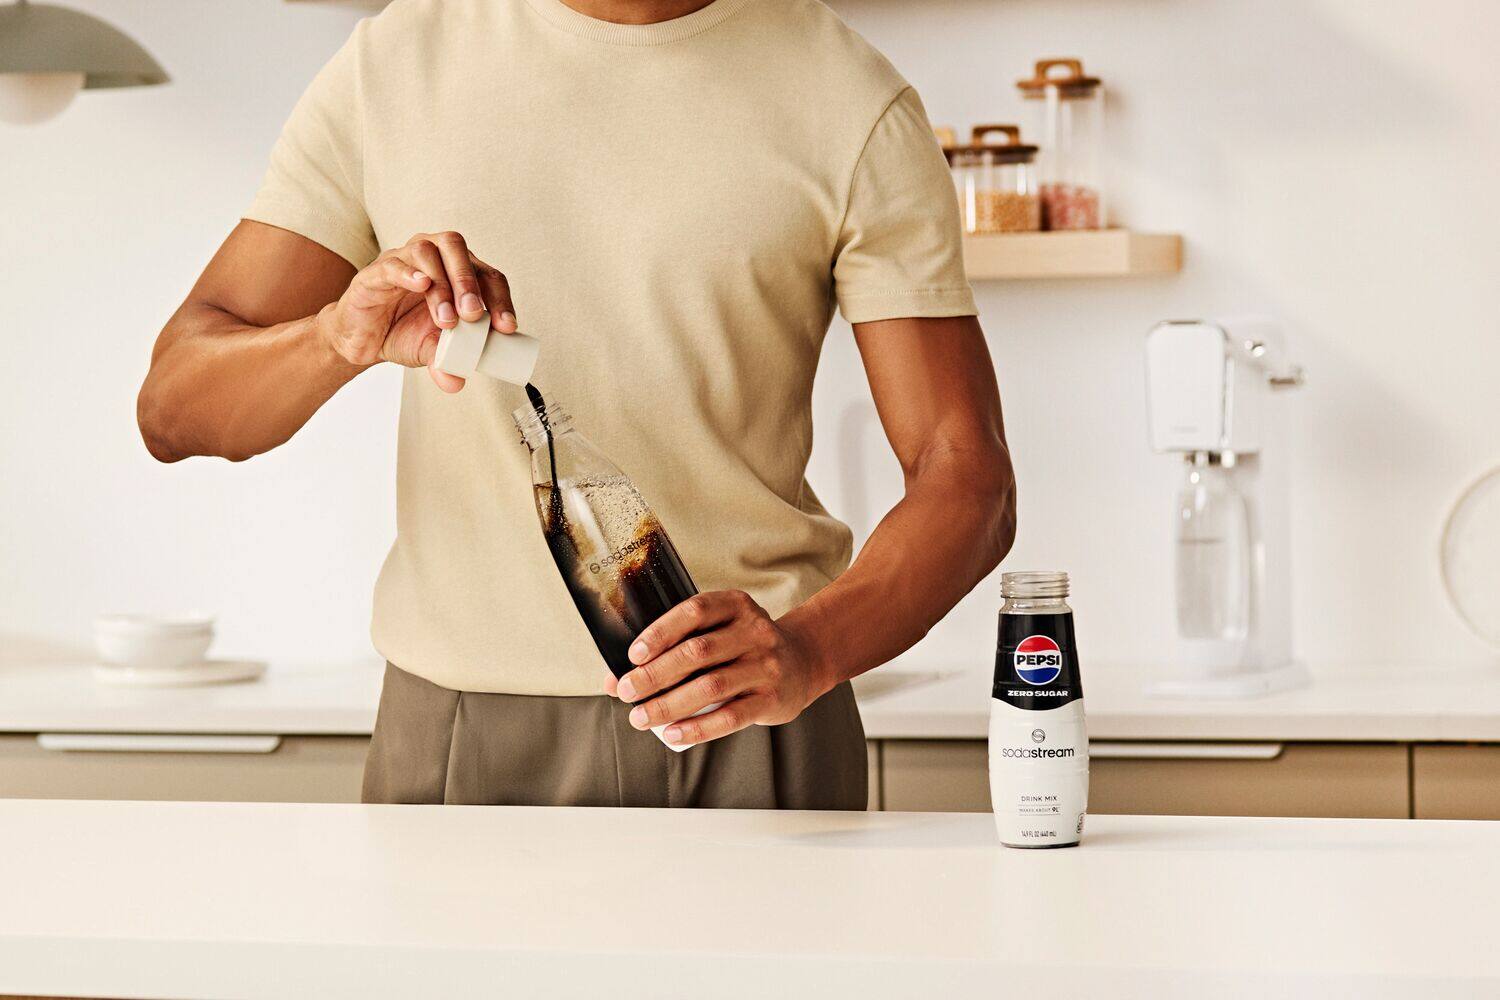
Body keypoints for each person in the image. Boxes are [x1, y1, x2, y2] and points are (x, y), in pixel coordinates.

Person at [138, 0, 1016, 810]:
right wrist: (336, 337)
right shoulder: (393, 62)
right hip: (453, 732)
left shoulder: (849, 98)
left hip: (746, 721)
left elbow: (967, 474)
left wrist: (811, 650)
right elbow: (174, 411)